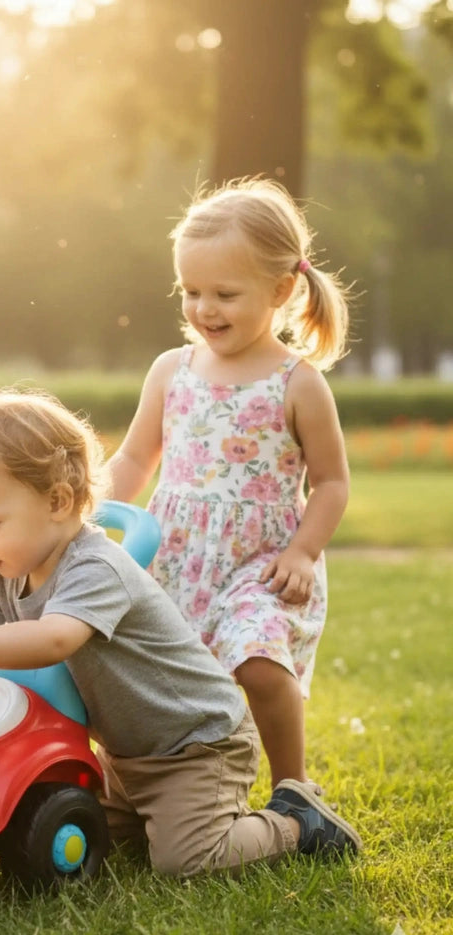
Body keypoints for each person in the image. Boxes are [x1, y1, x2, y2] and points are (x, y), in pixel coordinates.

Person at [0, 389, 360, 877]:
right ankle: (147, 811)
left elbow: (53, 639)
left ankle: (297, 823)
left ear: (57, 501)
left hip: (196, 743)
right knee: (69, 830)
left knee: (186, 860)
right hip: (128, 754)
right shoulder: (9, 570)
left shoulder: (95, 567)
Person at [106, 177, 352, 791]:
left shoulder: (298, 382)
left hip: (263, 563)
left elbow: (332, 482)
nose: (204, 309)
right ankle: (147, 781)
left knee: (262, 662)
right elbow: (137, 456)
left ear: (281, 289)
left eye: (224, 293)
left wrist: (303, 551)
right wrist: (98, 513)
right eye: (190, 291)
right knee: (150, 674)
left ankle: (293, 788)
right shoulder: (172, 371)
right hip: (179, 557)